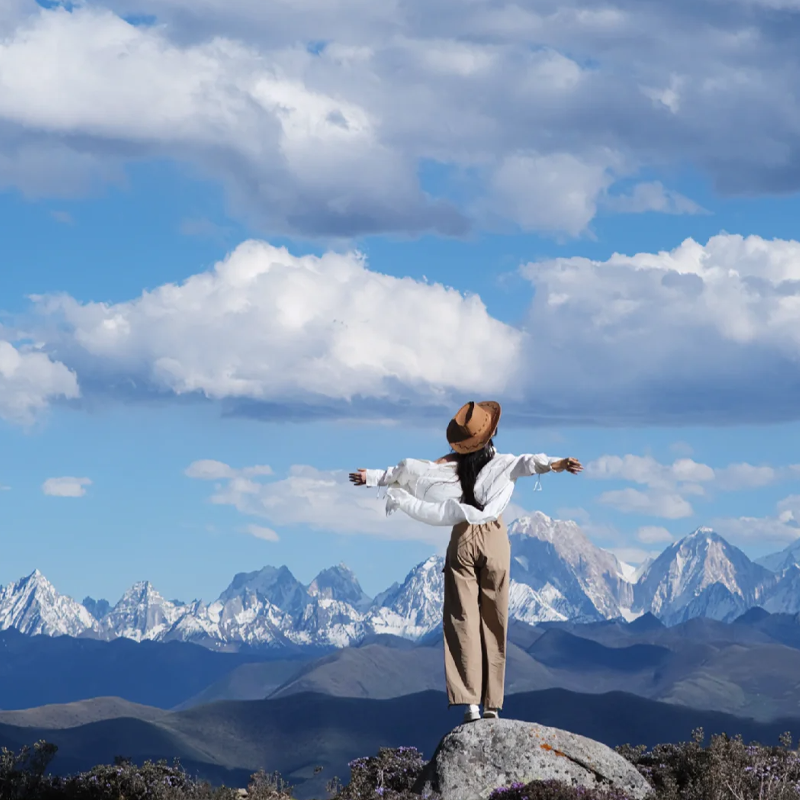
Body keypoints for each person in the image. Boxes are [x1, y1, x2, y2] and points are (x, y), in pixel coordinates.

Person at [350, 400, 582, 724]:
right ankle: (492, 704)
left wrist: (374, 477)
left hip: (462, 538)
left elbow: (412, 471)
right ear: (492, 432)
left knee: (462, 620)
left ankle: (470, 703)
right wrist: (558, 464)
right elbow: (531, 463)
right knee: (494, 620)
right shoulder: (504, 464)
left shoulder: (448, 465)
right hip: (495, 539)